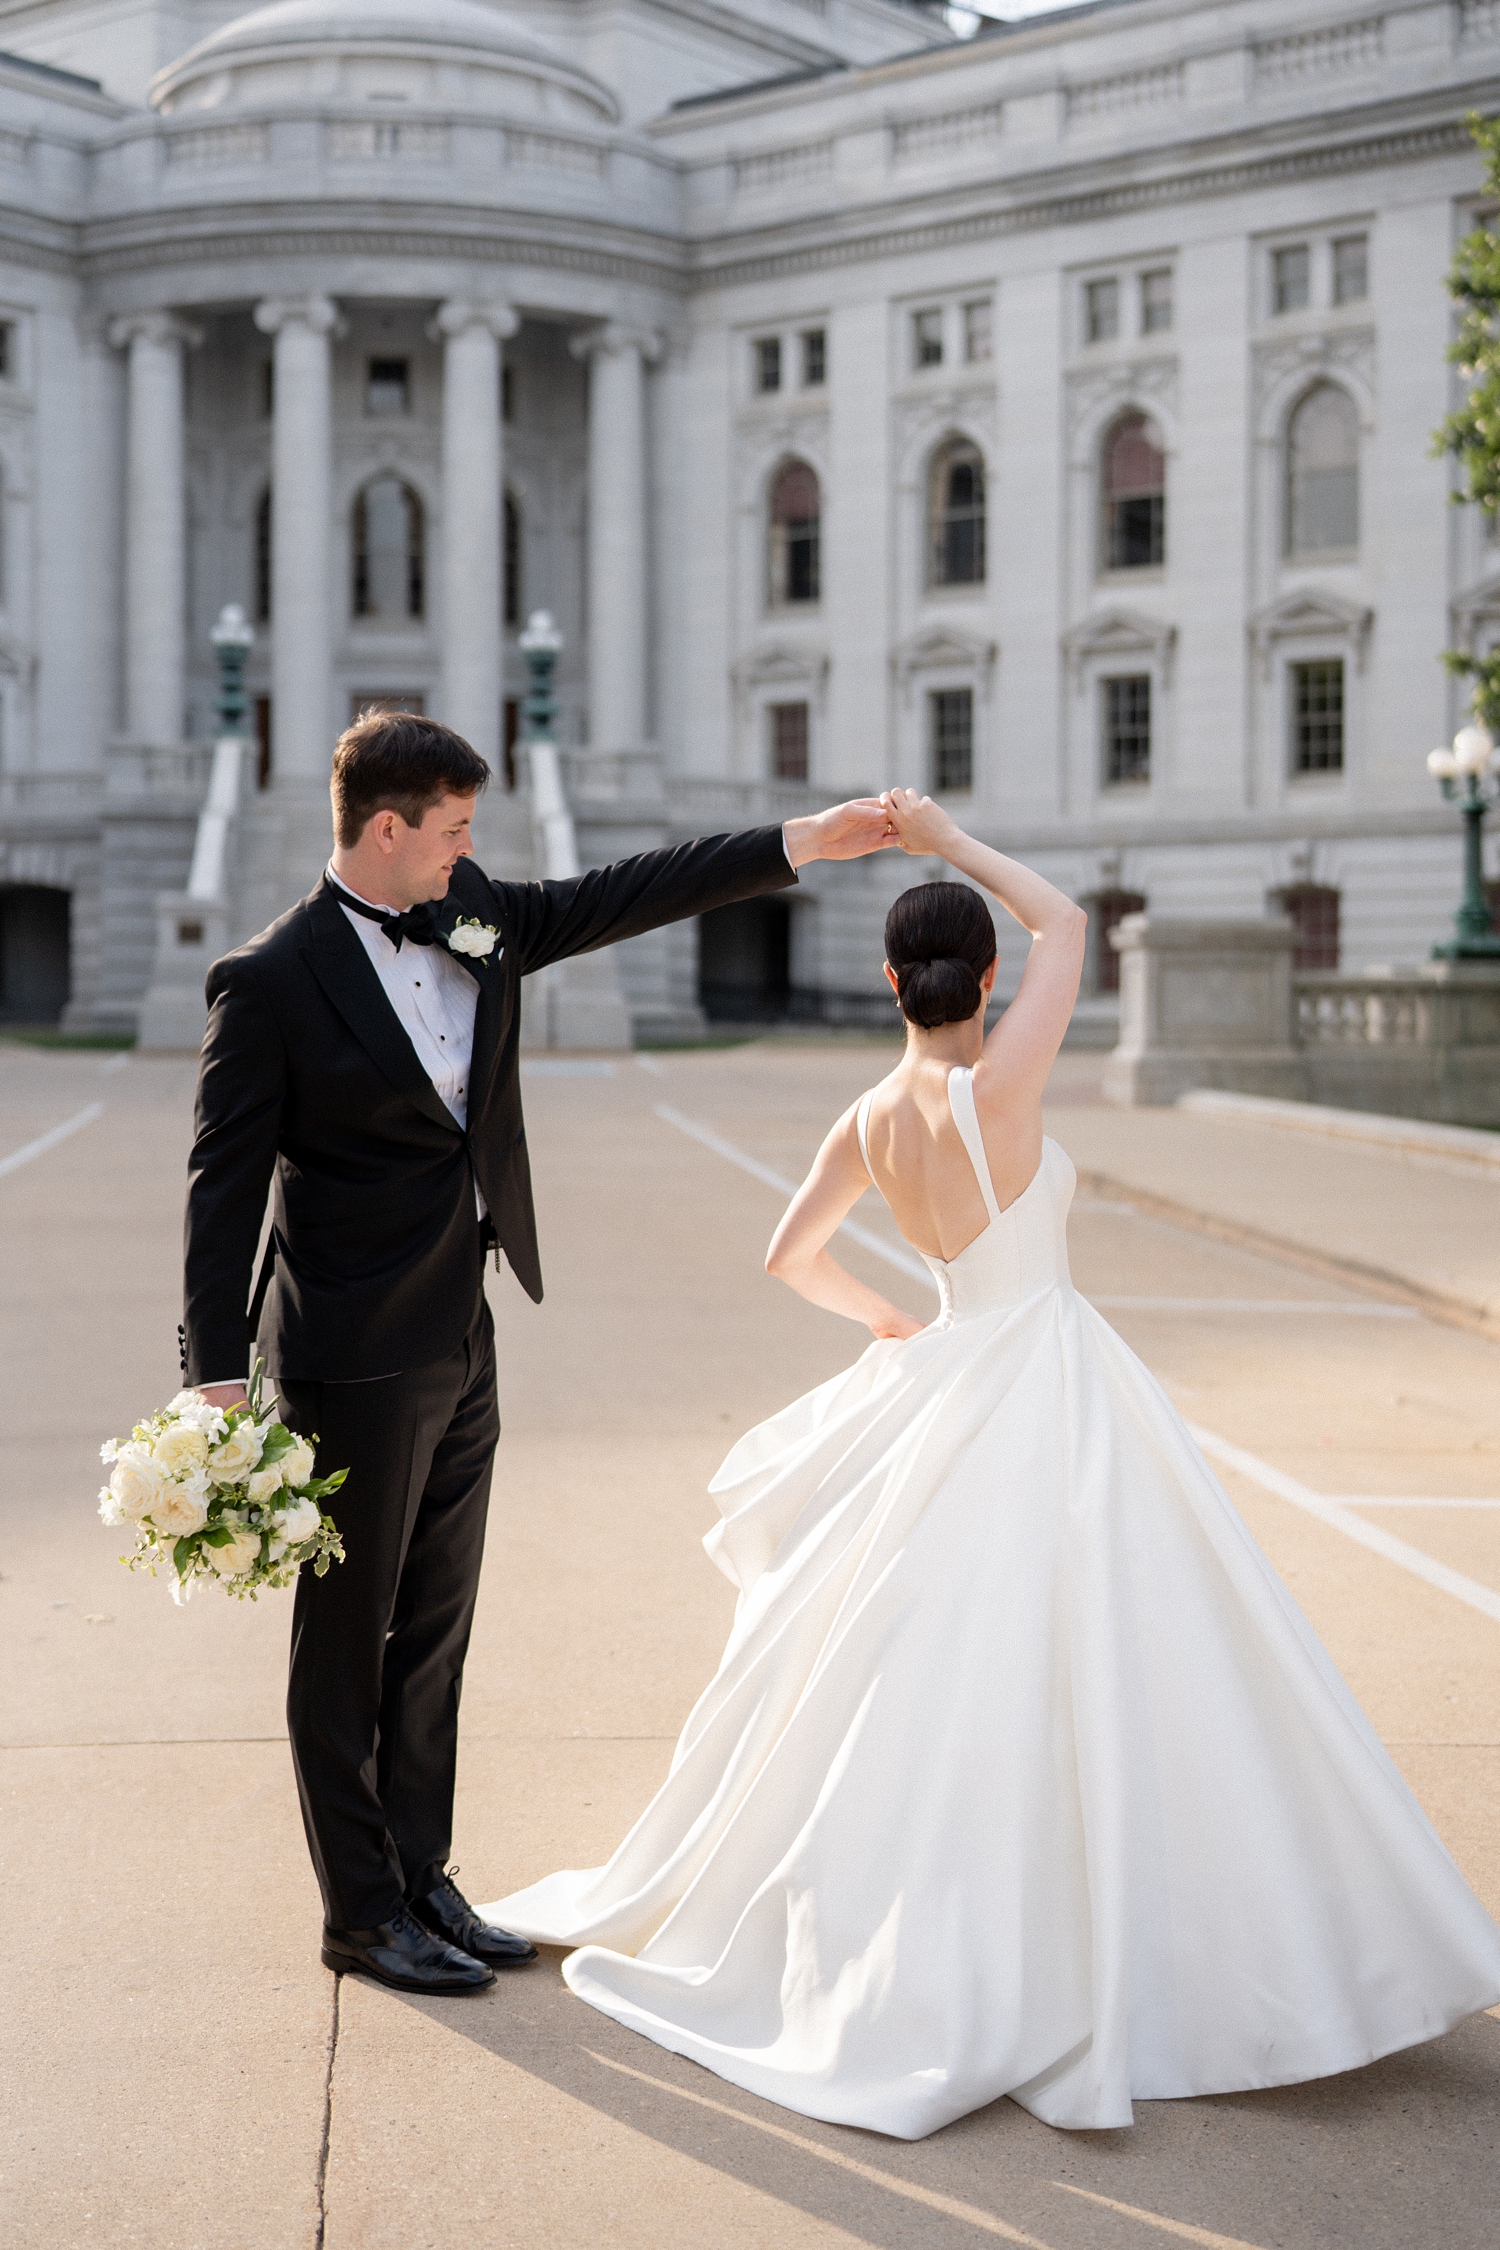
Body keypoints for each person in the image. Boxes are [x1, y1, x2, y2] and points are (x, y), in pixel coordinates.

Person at [485, 787, 1500, 2137]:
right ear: (988, 976)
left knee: (938, 1669)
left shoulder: (869, 1117)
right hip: (1057, 1375)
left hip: (957, 1365)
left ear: (890, 979)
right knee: (1152, 1651)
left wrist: (892, 1318)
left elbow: (790, 1257)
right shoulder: (1001, 1085)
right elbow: (1071, 917)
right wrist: (951, 840)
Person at [180, 706, 900, 1997]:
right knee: (345, 1644)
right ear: (388, 829)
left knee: (438, 1625)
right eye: (455, 828)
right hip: (347, 1352)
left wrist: (807, 839)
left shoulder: (473, 914)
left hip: (464, 1324)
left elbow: (631, 889)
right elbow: (220, 1190)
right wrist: (218, 1379)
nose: (472, 849)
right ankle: (358, 1911)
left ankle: (420, 1870)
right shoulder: (270, 979)